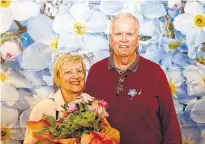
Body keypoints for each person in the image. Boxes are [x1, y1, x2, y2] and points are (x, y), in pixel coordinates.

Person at [84, 13, 182, 144]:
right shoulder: (96, 71)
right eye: (118, 34)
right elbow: (85, 124)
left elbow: (170, 126)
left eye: (129, 34)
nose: (123, 39)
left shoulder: (155, 72)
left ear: (137, 39)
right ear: (110, 39)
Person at [24, 54, 86, 144]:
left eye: (79, 71)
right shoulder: (43, 108)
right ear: (58, 78)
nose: (76, 76)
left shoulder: (90, 106)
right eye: (68, 72)